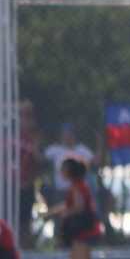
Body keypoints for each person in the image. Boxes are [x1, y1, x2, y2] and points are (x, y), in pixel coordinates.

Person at [47, 158, 102, 259]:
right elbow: (69, 204)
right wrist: (52, 212)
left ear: (69, 171)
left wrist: (66, 214)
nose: (60, 172)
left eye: (62, 169)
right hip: (86, 228)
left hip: (83, 230)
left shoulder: (77, 186)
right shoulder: (78, 185)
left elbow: (78, 207)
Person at [43, 123, 94, 205]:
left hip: (78, 192)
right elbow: (41, 157)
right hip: (61, 192)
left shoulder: (82, 150)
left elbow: (94, 161)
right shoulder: (55, 149)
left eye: (70, 133)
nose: (67, 136)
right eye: (65, 134)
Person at [17, 100, 41, 248]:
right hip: (10, 185)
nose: (25, 119)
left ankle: (26, 249)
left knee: (25, 221)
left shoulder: (35, 136)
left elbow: (37, 161)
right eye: (22, 114)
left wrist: (29, 180)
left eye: (28, 115)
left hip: (27, 185)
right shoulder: (10, 133)